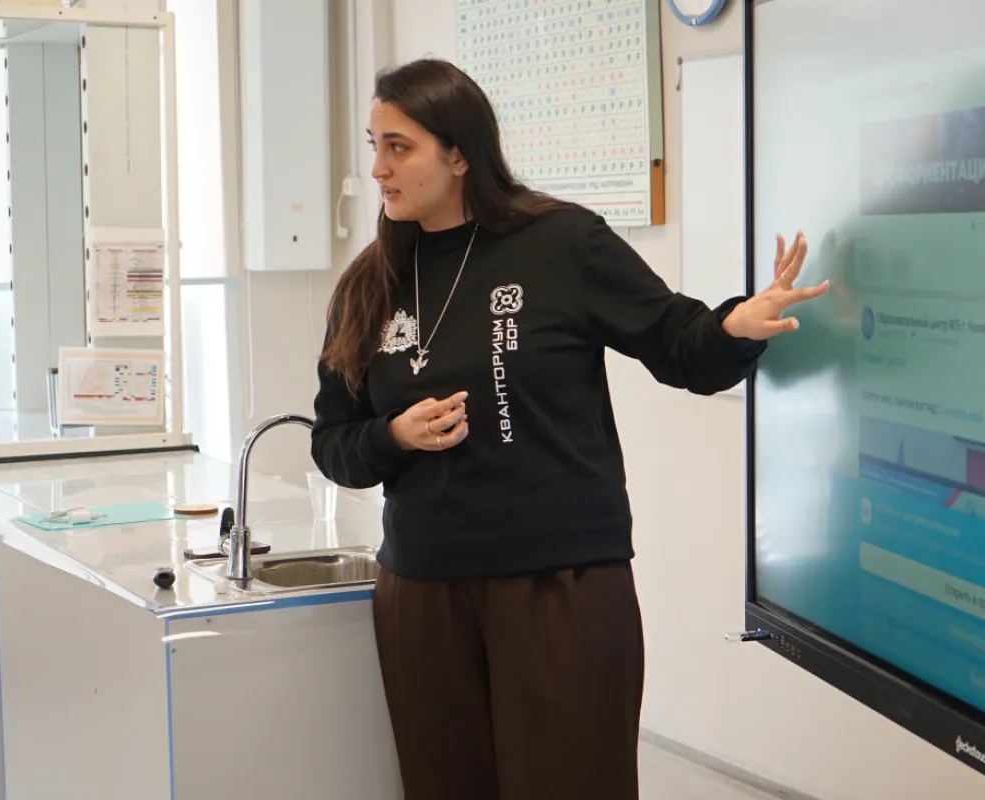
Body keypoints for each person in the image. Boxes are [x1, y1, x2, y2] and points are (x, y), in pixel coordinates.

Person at [310, 58, 828, 800]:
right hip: (423, 591)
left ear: (459, 154)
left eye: (399, 147)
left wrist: (736, 326)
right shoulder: (370, 283)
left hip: (559, 586)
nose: (378, 168)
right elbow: (333, 442)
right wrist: (393, 437)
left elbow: (678, 344)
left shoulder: (560, 243)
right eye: (374, 145)